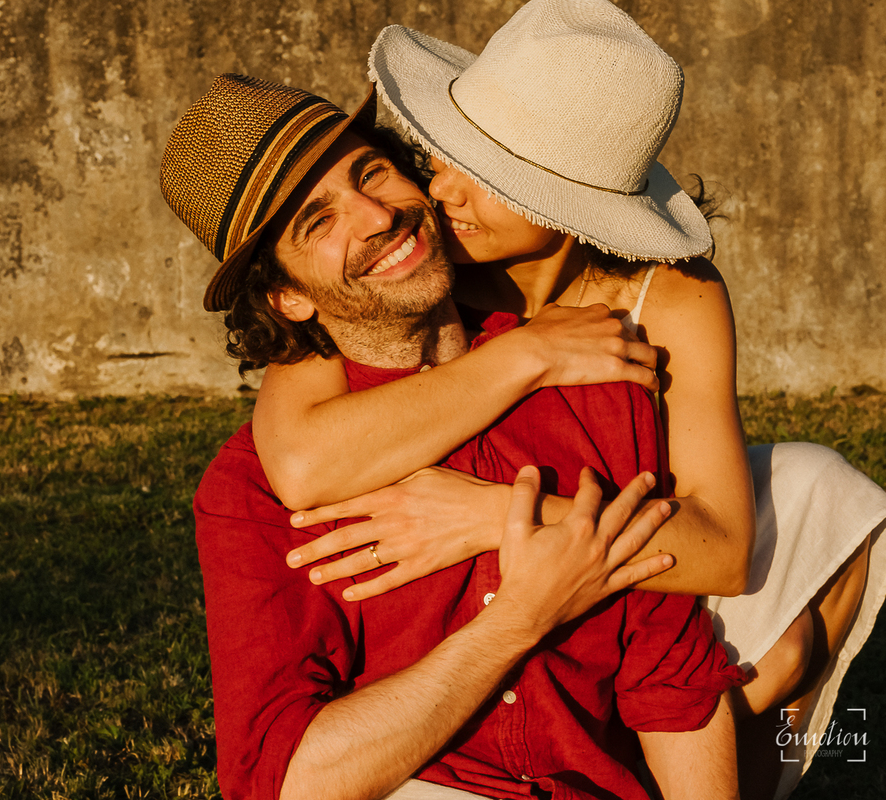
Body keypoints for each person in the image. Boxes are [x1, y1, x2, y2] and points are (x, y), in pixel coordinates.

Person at [251, 1, 886, 797]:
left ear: (571, 205)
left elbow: (724, 551)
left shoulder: (670, 299)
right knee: (772, 654)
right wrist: (527, 355)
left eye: (489, 176)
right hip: (484, 628)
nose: (442, 190)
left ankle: (731, 762)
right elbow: (300, 458)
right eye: (444, 154)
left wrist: (490, 513)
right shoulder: (409, 268)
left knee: (821, 492)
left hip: (619, 582)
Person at [161, 72, 745, 800]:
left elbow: (670, 675)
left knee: (820, 496)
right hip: (418, 786)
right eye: (318, 221)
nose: (377, 216)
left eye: (371, 172)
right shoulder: (253, 488)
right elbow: (285, 780)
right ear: (289, 296)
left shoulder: (585, 370)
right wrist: (522, 618)